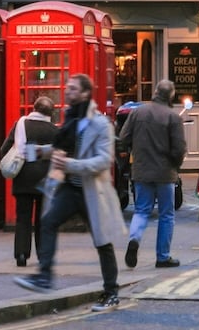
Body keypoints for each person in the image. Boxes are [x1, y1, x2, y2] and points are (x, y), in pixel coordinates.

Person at [15, 74, 125, 312]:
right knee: (47, 222)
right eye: (67, 87)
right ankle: (45, 275)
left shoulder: (99, 124)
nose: (68, 91)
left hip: (91, 191)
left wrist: (72, 165)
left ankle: (111, 293)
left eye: (73, 89)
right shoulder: (70, 118)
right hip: (69, 189)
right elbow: (61, 148)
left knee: (102, 242)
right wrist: (38, 152)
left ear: (85, 93)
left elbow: (104, 161)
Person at [120, 79, 186, 269]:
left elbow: (123, 138)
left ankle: (134, 239)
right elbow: (179, 148)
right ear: (171, 95)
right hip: (165, 173)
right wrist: (176, 165)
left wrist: (133, 153)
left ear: (155, 92)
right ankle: (163, 257)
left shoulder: (137, 112)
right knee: (166, 214)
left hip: (141, 170)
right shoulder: (173, 117)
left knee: (141, 210)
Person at [0, 95, 57, 267]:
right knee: (42, 219)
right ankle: (42, 255)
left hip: (23, 178)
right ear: (50, 113)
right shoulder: (54, 130)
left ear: (34, 108)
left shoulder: (20, 125)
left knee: (22, 217)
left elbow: (4, 149)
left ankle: (21, 255)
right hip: (44, 180)